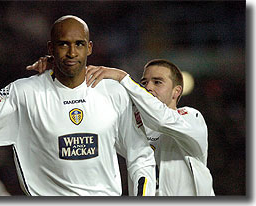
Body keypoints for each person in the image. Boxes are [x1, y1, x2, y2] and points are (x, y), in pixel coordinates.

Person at [0, 15, 156, 196]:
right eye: (63, 44)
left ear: (89, 48)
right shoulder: (24, 94)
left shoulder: (112, 92)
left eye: (79, 44)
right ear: (51, 47)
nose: (71, 52)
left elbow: (140, 154)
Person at [27, 58, 215, 196]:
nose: (148, 87)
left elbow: (161, 119)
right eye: (144, 82)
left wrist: (123, 78)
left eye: (157, 82)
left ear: (177, 91)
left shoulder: (191, 119)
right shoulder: (134, 128)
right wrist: (64, 69)